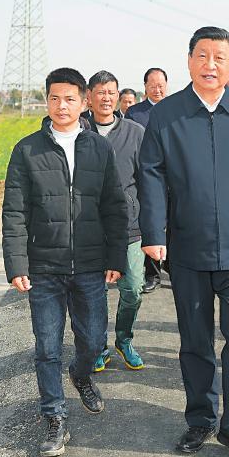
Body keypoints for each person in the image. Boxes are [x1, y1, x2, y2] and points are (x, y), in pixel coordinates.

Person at [139, 26, 229, 457]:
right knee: (195, 341)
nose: (211, 65)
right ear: (189, 61)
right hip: (189, 249)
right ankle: (200, 419)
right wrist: (153, 233)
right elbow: (151, 174)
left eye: (220, 57)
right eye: (202, 56)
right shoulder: (167, 115)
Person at [2, 67, 128, 457]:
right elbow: (15, 211)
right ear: (46, 101)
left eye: (70, 99)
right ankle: (54, 417)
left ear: (83, 102)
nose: (62, 106)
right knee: (47, 346)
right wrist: (17, 264)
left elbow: (115, 206)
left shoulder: (98, 148)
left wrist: (116, 256)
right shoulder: (27, 150)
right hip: (44, 267)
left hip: (90, 265)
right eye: (54, 98)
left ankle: (81, 373)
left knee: (94, 341)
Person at [86, 71, 147, 372]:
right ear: (89, 97)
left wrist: (153, 224)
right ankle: (98, 346)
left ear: (118, 96)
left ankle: (124, 339)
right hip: (88, 228)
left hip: (129, 227)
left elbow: (147, 180)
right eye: (100, 92)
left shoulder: (135, 133)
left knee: (133, 288)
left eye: (111, 92)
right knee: (93, 293)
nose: (106, 98)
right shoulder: (78, 130)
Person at [126, 67, 169, 293]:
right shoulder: (135, 113)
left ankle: (173, 265)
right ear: (145, 87)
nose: (157, 89)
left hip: (172, 174)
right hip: (145, 174)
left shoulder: (176, 109)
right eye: (153, 86)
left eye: (161, 85)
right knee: (150, 221)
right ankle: (153, 273)